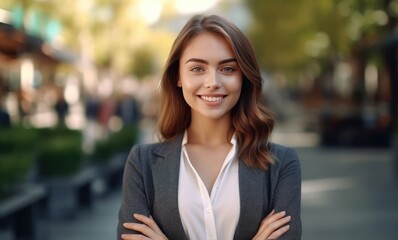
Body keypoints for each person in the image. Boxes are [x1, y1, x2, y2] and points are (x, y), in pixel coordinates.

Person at [117, 14, 301, 240]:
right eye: (197, 69)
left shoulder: (281, 164)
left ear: (243, 77)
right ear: (178, 76)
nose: (212, 82)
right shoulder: (142, 164)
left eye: (228, 69)